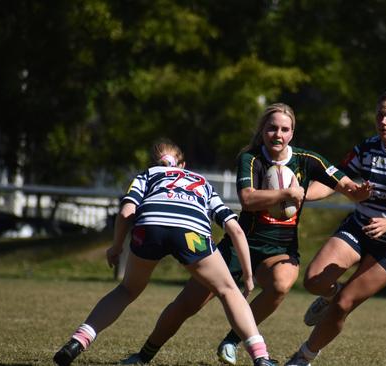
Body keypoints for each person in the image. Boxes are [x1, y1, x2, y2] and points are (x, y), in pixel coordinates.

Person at [120, 103, 370, 365]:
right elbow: (248, 199)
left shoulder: (308, 160)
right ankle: (143, 355)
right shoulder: (250, 158)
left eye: (285, 129)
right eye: (272, 128)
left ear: (292, 133)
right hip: (240, 245)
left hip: (281, 248)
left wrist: (357, 191)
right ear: (262, 130)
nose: (278, 134)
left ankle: (232, 340)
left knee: (280, 285)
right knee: (187, 305)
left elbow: (342, 183)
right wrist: (287, 193)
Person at [53, 138, 277, 366]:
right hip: (191, 234)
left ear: (154, 163)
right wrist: (248, 276)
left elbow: (125, 213)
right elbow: (236, 230)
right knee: (228, 291)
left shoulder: (148, 175)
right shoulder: (201, 181)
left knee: (127, 290)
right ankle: (260, 357)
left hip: (149, 228)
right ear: (183, 165)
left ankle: (77, 341)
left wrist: (116, 247)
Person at [285, 90, 386, 365]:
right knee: (313, 281)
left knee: (344, 304)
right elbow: (336, 181)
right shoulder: (366, 149)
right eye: (380, 114)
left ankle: (303, 357)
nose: (383, 121)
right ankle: (329, 296)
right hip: (360, 227)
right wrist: (301, 194)